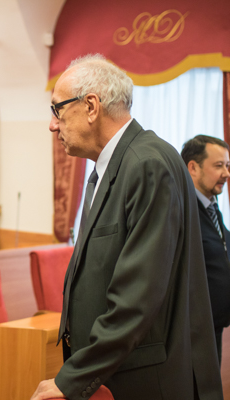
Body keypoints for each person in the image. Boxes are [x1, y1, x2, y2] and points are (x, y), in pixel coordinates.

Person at [32, 55, 222, 400]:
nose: (52, 125)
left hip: (145, 377)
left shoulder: (146, 164)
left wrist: (71, 379)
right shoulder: (112, 166)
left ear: (91, 106)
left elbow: (137, 296)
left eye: (57, 109)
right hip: (121, 370)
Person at [182, 134, 230, 363]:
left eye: (227, 166)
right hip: (193, 330)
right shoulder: (182, 210)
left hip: (215, 324)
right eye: (219, 165)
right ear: (193, 167)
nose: (226, 173)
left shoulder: (211, 205)